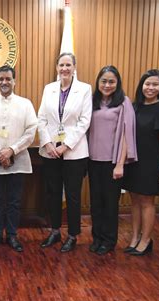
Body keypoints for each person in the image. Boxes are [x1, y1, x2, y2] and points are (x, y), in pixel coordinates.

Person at [0, 65, 37, 252]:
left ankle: (12, 235)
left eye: (8, 79)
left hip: (18, 160)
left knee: (14, 201)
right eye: (1, 79)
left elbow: (31, 131)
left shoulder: (25, 104)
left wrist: (12, 150)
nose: (4, 82)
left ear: (14, 81)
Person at [37, 53, 92, 252]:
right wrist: (48, 143)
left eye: (68, 65)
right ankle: (54, 231)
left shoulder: (84, 89)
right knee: (52, 193)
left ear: (74, 67)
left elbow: (84, 121)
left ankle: (73, 235)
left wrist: (65, 145)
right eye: (61, 65)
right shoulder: (49, 89)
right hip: (50, 151)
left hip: (74, 152)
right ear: (57, 67)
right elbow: (41, 118)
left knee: (73, 194)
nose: (65, 68)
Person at [122, 69, 159, 256]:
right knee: (134, 200)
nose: (151, 88)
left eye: (155, 84)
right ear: (141, 85)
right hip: (132, 160)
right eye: (147, 84)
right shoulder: (134, 106)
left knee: (147, 201)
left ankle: (146, 240)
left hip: (151, 162)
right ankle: (135, 237)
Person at [88, 65, 137, 255]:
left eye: (111, 81)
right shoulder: (92, 101)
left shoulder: (123, 102)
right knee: (96, 203)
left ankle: (109, 240)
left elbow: (127, 134)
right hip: (93, 160)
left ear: (117, 83)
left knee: (110, 203)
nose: (107, 85)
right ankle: (97, 237)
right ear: (98, 82)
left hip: (112, 162)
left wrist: (119, 164)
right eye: (104, 81)